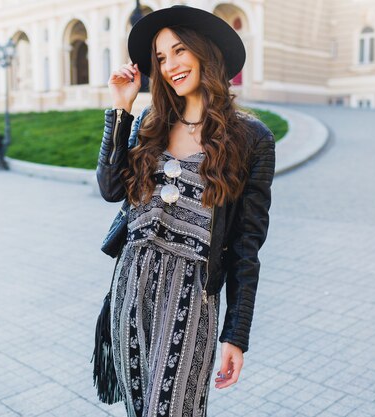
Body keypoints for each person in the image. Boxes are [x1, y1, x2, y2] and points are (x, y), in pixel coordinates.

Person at [96, 5, 275, 417]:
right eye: (160, 58)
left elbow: (248, 244)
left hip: (191, 299)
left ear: (203, 51)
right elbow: (109, 189)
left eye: (179, 51)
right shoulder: (150, 120)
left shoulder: (251, 138)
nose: (170, 65)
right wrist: (121, 109)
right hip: (131, 287)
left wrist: (237, 334)